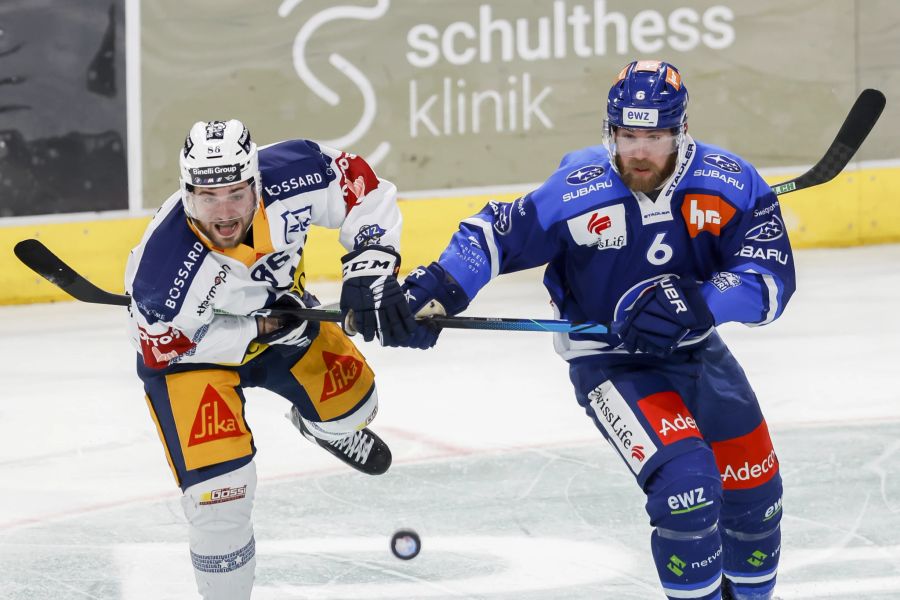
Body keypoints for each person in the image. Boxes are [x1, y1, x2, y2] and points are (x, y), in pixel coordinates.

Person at [394, 60, 794, 600]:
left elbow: (770, 281)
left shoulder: (727, 182)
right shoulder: (580, 190)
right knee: (688, 491)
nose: (640, 152)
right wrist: (441, 286)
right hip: (613, 362)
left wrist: (699, 302)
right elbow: (496, 234)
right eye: (628, 135)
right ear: (611, 131)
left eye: (655, 136)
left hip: (700, 355)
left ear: (680, 131)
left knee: (756, 498)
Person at [124, 119, 415, 599]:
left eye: (236, 194)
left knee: (357, 408)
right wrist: (254, 328)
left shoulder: (296, 170)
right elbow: (162, 345)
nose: (222, 214)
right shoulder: (161, 274)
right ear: (185, 193)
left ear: (257, 182)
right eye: (206, 197)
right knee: (222, 501)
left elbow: (364, 190)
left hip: (285, 324)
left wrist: (371, 261)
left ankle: (320, 427)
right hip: (193, 359)